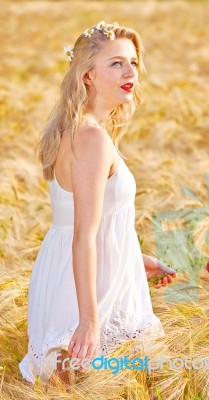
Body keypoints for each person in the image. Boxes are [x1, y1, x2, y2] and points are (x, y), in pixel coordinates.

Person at [18, 20, 176, 387]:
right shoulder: (90, 137)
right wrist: (90, 322)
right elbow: (82, 236)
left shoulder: (82, 129)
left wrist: (133, 262)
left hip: (81, 276)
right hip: (79, 296)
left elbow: (87, 223)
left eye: (133, 62)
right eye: (116, 63)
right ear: (87, 75)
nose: (129, 72)